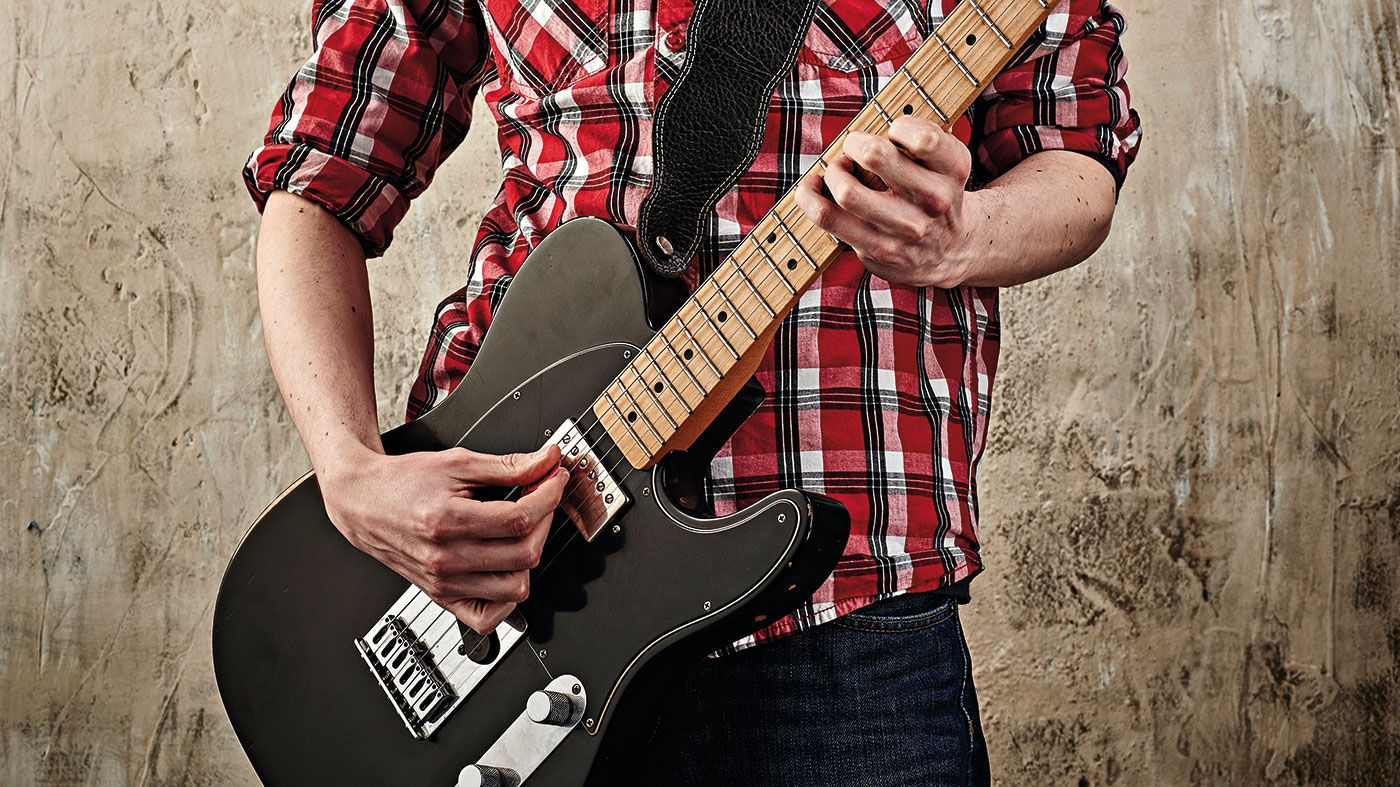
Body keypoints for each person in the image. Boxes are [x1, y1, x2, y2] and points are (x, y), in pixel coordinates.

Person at [244, 0, 1140, 783]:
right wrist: (350, 470)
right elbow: (319, 179)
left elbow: (1076, 157)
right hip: (501, 577)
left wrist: (965, 233)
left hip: (853, 599)